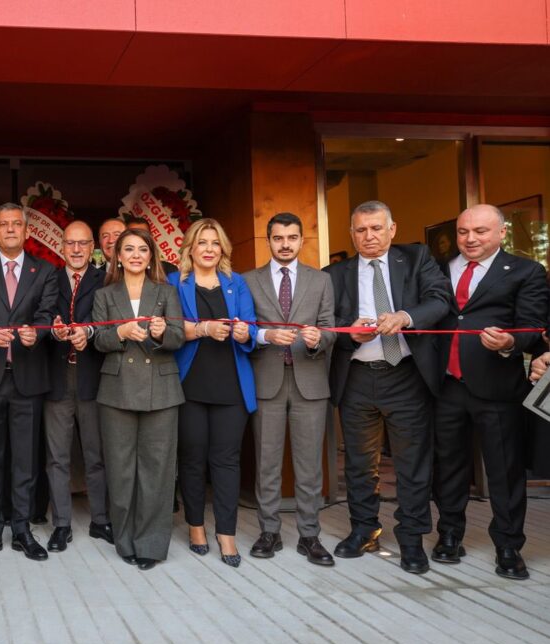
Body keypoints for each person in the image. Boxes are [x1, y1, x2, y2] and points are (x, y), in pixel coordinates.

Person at [324, 200, 450, 575]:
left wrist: (405, 317)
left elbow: (440, 299)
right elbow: (326, 319)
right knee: (361, 465)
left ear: (392, 229)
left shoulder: (416, 258)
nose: (369, 236)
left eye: (376, 228)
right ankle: (364, 529)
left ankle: (411, 538)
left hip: (406, 375)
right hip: (358, 377)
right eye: (361, 230)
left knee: (413, 463)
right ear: (351, 233)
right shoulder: (334, 274)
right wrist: (350, 332)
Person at [431, 204, 548, 580]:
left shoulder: (526, 270)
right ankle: (449, 535)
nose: (470, 239)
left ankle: (509, 546)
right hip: (445, 385)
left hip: (497, 387)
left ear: (501, 233)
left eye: (480, 231)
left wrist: (510, 342)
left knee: (504, 471)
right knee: (448, 468)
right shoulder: (438, 269)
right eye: (464, 231)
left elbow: (534, 328)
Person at [0, 203, 59, 562]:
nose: (10, 229)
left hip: (27, 377)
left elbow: (46, 316)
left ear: (26, 231)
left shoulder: (45, 270)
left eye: (16, 224)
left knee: (25, 459)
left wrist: (38, 333)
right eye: (2, 225)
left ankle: (21, 529)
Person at [243, 213, 337, 565]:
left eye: (292, 237)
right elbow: (244, 328)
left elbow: (331, 328)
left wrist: (318, 339)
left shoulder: (321, 280)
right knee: (266, 462)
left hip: (310, 381)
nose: (285, 244)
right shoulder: (248, 281)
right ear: (268, 240)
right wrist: (265, 335)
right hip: (266, 380)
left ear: (301, 241)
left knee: (310, 465)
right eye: (278, 238)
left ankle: (309, 535)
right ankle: (269, 532)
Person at [93, 228, 184, 569]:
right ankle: (125, 538)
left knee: (158, 471)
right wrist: (119, 332)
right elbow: (98, 340)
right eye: (127, 249)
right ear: (117, 256)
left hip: (161, 390)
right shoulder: (105, 295)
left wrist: (162, 334)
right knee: (121, 470)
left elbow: (178, 336)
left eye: (141, 249)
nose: (134, 255)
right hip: (116, 390)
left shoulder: (167, 292)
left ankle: (151, 543)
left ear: (150, 257)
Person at [170, 217, 257, 568]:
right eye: (201, 242)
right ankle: (195, 527)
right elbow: (170, 330)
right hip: (189, 384)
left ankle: (226, 533)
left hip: (231, 386)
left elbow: (252, 327)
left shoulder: (237, 283)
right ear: (190, 247)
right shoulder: (174, 282)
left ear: (223, 248)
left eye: (214, 242)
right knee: (192, 461)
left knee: (227, 461)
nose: (208, 249)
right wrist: (203, 329)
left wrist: (243, 333)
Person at [43, 221, 112, 552]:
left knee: (96, 455)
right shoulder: (48, 277)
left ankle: (100, 520)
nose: (76, 249)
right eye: (70, 243)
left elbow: (111, 325)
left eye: (83, 243)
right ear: (62, 245)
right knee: (57, 457)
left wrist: (91, 334)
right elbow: (40, 318)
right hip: (57, 377)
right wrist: (52, 330)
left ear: (93, 246)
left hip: (93, 377)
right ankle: (61, 524)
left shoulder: (105, 280)